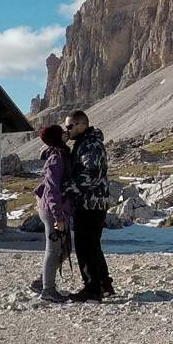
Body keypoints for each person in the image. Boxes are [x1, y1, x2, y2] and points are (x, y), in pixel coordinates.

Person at [64, 110, 113, 302]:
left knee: (85, 246)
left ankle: (92, 289)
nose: (67, 131)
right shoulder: (85, 143)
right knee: (93, 245)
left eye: (70, 126)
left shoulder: (90, 145)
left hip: (90, 203)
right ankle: (104, 284)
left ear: (81, 125)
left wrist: (67, 187)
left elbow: (90, 174)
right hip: (92, 202)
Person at [32, 124, 73, 303]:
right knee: (54, 248)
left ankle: (42, 282)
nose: (66, 133)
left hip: (56, 209)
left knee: (65, 248)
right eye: (62, 132)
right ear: (57, 137)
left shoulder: (62, 154)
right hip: (53, 210)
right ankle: (48, 289)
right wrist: (59, 216)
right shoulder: (56, 158)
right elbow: (51, 190)